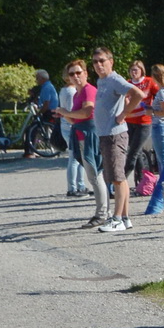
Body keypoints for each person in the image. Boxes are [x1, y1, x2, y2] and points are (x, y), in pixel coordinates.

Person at [90, 47, 144, 233]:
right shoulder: (102, 81)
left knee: (117, 179)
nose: (98, 65)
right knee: (117, 178)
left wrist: (124, 114)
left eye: (102, 60)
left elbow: (138, 94)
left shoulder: (114, 79)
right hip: (106, 134)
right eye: (95, 61)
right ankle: (126, 217)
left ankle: (117, 218)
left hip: (115, 134)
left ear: (110, 61)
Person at [61, 59, 106, 227]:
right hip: (81, 135)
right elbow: (75, 119)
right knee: (93, 176)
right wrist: (64, 113)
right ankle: (103, 212)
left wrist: (65, 112)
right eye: (72, 73)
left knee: (95, 176)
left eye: (78, 72)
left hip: (90, 136)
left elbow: (87, 112)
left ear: (86, 73)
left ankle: (102, 214)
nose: (75, 76)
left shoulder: (88, 90)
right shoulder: (77, 93)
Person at [59, 68, 88, 197]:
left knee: (78, 157)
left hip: (67, 125)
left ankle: (80, 185)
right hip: (71, 125)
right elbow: (72, 111)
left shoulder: (64, 90)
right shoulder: (71, 91)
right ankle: (73, 187)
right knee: (75, 157)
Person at [25, 68, 60, 160]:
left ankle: (29, 152)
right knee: (35, 129)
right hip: (51, 111)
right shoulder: (47, 86)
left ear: (42, 78)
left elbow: (46, 104)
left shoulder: (46, 87)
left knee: (31, 129)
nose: (36, 80)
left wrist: (39, 113)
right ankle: (34, 149)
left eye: (37, 78)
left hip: (48, 112)